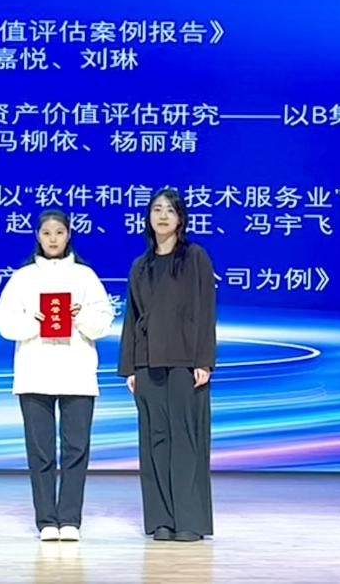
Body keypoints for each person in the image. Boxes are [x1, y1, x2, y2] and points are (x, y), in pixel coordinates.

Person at [0, 210, 113, 542]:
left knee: (76, 450)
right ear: (37, 236)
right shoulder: (23, 278)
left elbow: (103, 323)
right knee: (41, 451)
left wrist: (80, 316)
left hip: (77, 373)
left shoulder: (85, 276)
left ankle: (70, 519)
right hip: (35, 372)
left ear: (69, 235)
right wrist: (35, 321)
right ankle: (47, 520)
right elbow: (4, 323)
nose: (52, 239)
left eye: (59, 232)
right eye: (46, 233)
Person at [118, 188, 216, 542]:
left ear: (180, 219)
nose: (162, 216)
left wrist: (204, 360)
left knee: (186, 440)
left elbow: (205, 311)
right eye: (156, 209)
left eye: (170, 211)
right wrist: (130, 367)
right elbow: (133, 318)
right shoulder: (140, 266)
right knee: (155, 441)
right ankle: (161, 519)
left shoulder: (195, 257)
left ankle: (189, 521)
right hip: (147, 363)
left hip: (185, 363)